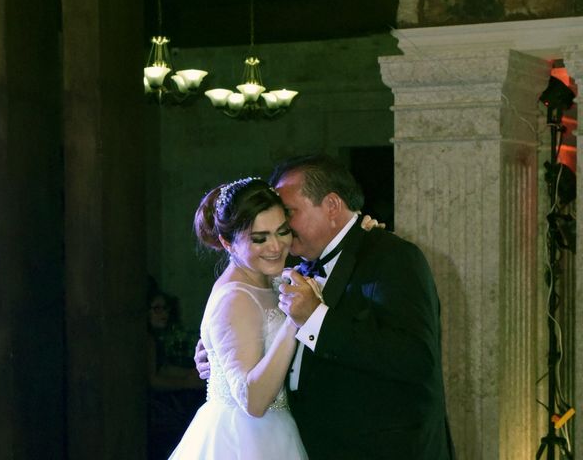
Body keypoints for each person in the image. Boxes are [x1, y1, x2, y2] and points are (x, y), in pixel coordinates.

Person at [196, 154, 455, 460]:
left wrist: (314, 317)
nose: (284, 231)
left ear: (331, 206)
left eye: (289, 214)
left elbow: (416, 359)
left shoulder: (392, 257)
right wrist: (221, 356)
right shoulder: (296, 271)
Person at [168, 177, 308, 459]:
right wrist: (294, 321)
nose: (276, 246)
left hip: (275, 432)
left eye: (282, 232)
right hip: (244, 439)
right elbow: (252, 401)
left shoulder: (268, 280)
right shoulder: (235, 298)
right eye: (259, 238)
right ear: (227, 242)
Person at [146, 280, 205, 460]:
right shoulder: (146, 339)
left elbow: (162, 367)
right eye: (157, 309)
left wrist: (190, 375)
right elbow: (152, 380)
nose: (163, 314)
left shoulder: (155, 338)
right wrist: (187, 382)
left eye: (165, 309)